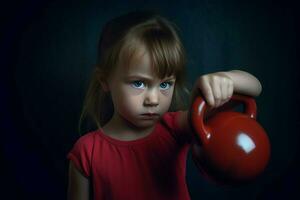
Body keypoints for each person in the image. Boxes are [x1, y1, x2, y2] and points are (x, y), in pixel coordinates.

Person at [67, 10, 262, 200]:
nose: (153, 99)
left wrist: (225, 78)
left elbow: (255, 87)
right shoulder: (86, 152)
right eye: (139, 83)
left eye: (165, 84)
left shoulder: (175, 128)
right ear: (105, 80)